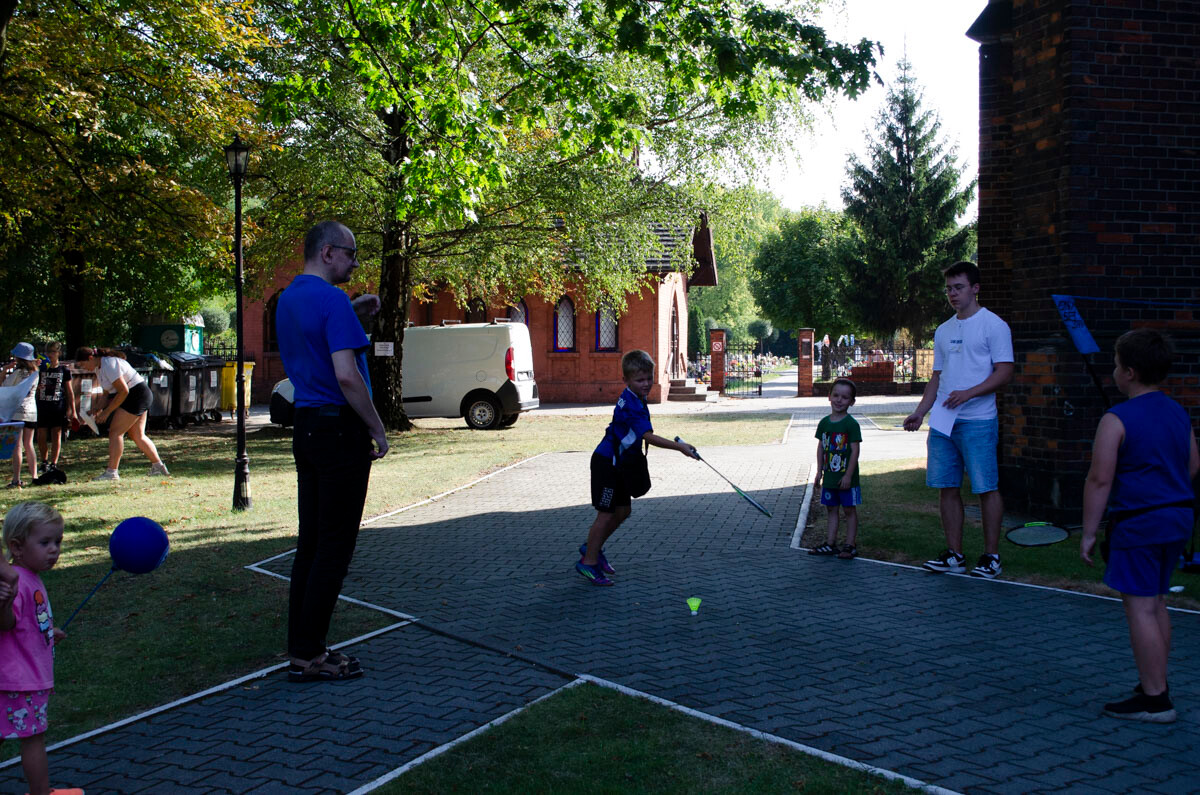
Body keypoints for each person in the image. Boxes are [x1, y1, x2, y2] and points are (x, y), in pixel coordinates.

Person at [276, 220, 388, 682]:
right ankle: (311, 655)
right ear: (327, 252)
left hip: (306, 427)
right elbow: (346, 376)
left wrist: (352, 314)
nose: (355, 262)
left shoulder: (288, 299)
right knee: (334, 549)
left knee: (312, 543)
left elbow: (314, 345)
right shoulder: (333, 302)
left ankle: (301, 648)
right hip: (340, 432)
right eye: (350, 254)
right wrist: (377, 428)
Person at [1080, 329, 1199, 723]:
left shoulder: (1117, 419)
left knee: (1141, 608)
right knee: (1157, 601)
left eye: (1115, 364)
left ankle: (1155, 699)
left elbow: (1099, 479)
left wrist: (1089, 532)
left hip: (1140, 523)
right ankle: (1156, 682)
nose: (1113, 371)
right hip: (1178, 518)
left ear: (1128, 372)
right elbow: (1193, 464)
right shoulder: (1177, 412)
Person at [904, 261, 1014, 578]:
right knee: (947, 487)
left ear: (975, 288)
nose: (952, 294)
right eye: (949, 288)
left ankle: (991, 557)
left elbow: (1005, 372)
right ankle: (955, 554)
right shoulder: (943, 330)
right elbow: (937, 378)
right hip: (943, 421)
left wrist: (969, 393)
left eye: (959, 287)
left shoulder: (994, 325)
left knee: (985, 488)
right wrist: (920, 412)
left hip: (978, 420)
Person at [576, 349, 698, 586]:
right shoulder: (632, 404)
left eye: (648, 379)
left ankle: (592, 547)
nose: (645, 384)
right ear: (626, 380)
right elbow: (648, 436)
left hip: (621, 465)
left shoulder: (636, 397)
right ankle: (588, 562)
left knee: (623, 511)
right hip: (607, 464)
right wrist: (679, 447)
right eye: (639, 380)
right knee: (606, 514)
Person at [0, 501, 83, 795]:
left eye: (58, 542)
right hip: (23, 681)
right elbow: (6, 623)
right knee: (34, 740)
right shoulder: (18, 581)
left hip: (13, 678)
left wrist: (47, 632)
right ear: (17, 546)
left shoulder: (28, 578)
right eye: (45, 542)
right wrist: (5, 603)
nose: (54, 550)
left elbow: (24, 625)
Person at [73, 347, 168, 481]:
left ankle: (112, 472)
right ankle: (159, 467)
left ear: (90, 358)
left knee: (115, 432)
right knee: (137, 435)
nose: (84, 368)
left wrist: (106, 412)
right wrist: (96, 409)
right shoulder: (98, 368)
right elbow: (106, 393)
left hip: (137, 395)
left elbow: (123, 391)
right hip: (136, 395)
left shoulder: (109, 364)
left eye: (83, 365)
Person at [808, 378, 862, 559]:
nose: (839, 400)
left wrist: (848, 475)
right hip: (830, 478)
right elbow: (821, 447)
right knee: (831, 509)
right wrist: (819, 471)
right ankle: (830, 544)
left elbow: (855, 451)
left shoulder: (851, 424)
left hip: (847, 480)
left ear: (852, 402)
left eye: (845, 397)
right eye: (836, 395)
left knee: (849, 510)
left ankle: (850, 545)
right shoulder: (824, 423)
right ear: (829, 397)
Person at [35, 342, 76, 476]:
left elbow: (69, 392)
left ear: (59, 353)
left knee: (56, 434)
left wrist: (72, 410)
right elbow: (31, 386)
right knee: (41, 434)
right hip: (42, 405)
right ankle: (44, 462)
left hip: (57, 406)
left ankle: (54, 463)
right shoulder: (40, 369)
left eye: (53, 352)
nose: (50, 355)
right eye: (48, 352)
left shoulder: (64, 370)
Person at [2, 343, 40, 489]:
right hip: (31, 412)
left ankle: (16, 479)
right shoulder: (35, 372)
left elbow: (4, 387)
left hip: (17, 412)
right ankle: (34, 476)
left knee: (17, 446)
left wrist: (4, 371)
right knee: (29, 444)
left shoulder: (17, 373)